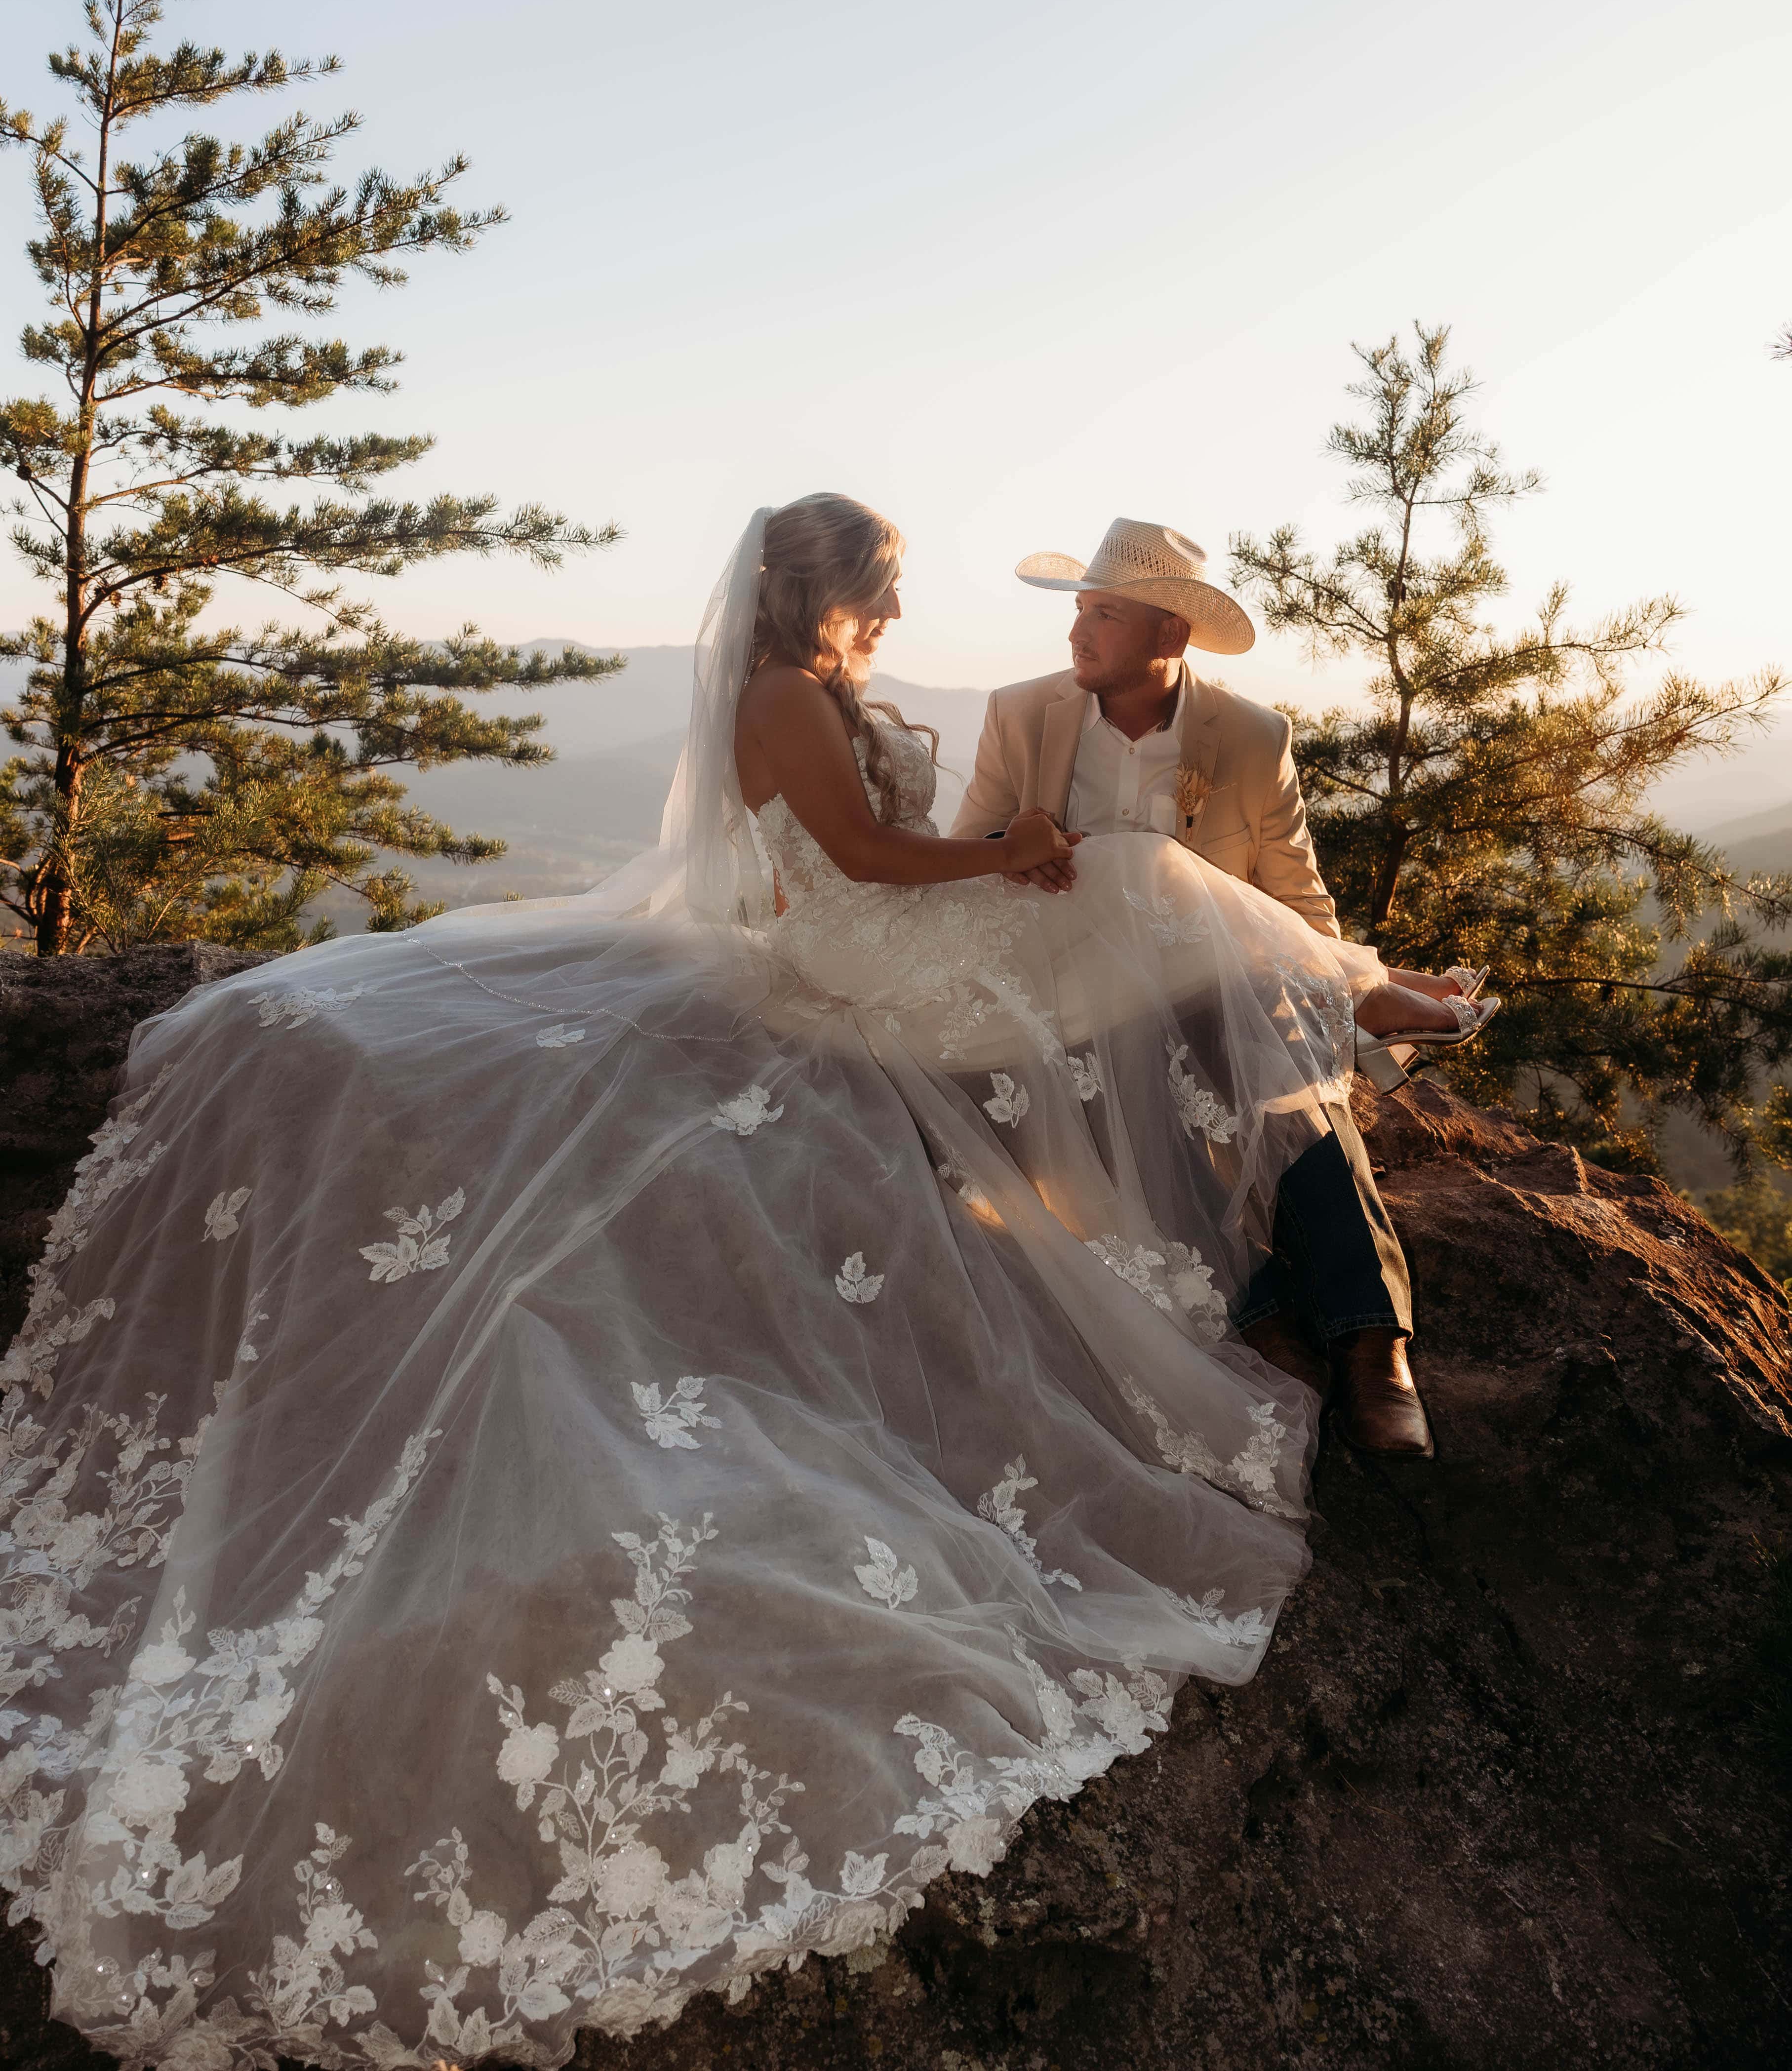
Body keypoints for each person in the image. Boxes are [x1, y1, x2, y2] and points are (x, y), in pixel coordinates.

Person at [0, 497, 1488, 2070]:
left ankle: (1352, 1017)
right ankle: (1387, 1009)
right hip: (862, 956)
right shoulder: (794, 694)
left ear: (1160, 632)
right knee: (1136, 881)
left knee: (1147, 888)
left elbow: (880, 842)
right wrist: (1010, 853)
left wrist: (1014, 865)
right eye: (889, 593)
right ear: (833, 591)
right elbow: (855, 857)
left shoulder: (855, 694)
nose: (905, 619)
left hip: (883, 931)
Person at [951, 518, 1495, 1455]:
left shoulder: (1248, 735)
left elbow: (1295, 904)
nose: (1075, 633)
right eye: (1078, 611)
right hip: (1071, 1000)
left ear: (1170, 635)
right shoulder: (1020, 713)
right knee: (1145, 1093)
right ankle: (1265, 1320)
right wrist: (1014, 858)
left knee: (1295, 1093)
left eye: (1103, 615)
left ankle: (1373, 1351)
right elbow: (964, 861)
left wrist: (1328, 986)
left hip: (1214, 989)